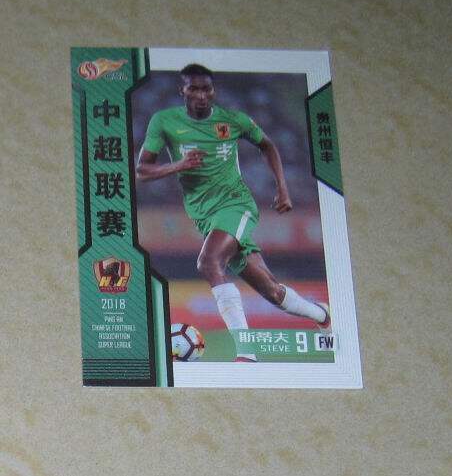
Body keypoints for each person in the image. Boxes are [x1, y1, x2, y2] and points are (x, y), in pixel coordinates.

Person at [136, 64, 330, 362]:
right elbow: (142, 170)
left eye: (206, 89)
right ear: (182, 91)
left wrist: (283, 188)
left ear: (213, 91)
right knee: (272, 293)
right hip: (204, 215)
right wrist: (179, 165)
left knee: (208, 262)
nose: (201, 95)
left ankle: (246, 353)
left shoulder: (232, 119)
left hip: (236, 205)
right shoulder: (164, 121)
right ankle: (322, 314)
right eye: (194, 89)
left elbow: (267, 145)